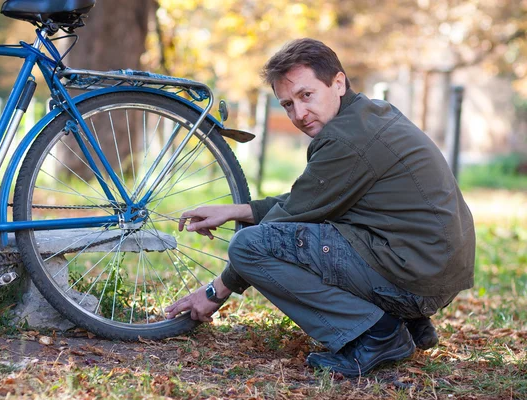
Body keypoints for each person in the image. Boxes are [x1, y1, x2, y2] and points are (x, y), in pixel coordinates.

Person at [166, 38, 475, 377]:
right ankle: (406, 321)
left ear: (338, 83)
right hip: (431, 268)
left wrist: (215, 291)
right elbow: (311, 200)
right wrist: (236, 210)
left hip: (415, 275)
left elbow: (282, 225)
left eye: (306, 95)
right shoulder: (367, 115)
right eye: (287, 104)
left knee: (249, 246)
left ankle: (378, 334)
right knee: (312, 233)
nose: (298, 114)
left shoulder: (346, 140)